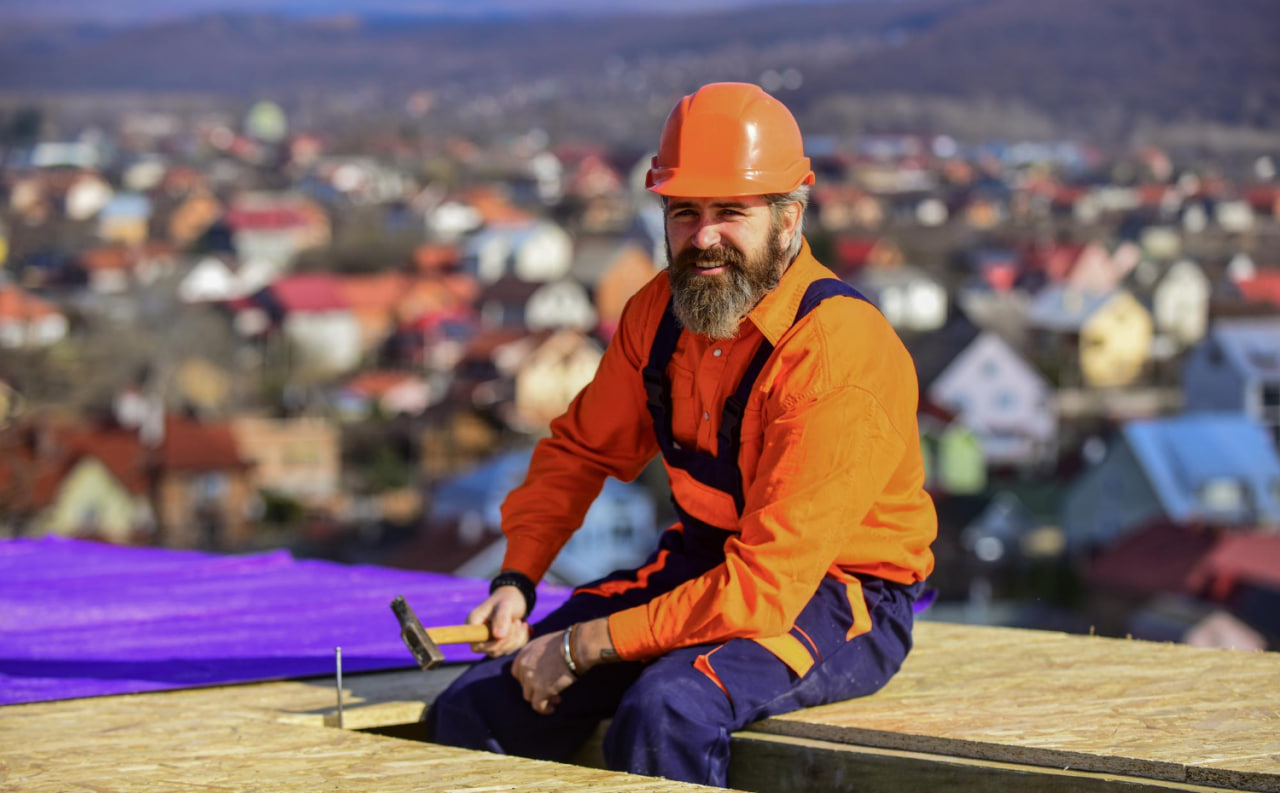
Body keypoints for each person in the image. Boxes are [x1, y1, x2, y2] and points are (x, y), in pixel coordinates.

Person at [427, 82, 936, 787]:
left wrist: (581, 646)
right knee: (478, 702)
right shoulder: (657, 314)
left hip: (835, 595)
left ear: (789, 219)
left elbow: (765, 588)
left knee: (668, 709)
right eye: (684, 211)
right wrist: (518, 577)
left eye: (731, 212)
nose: (703, 237)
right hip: (706, 563)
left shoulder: (835, 357)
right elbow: (579, 450)